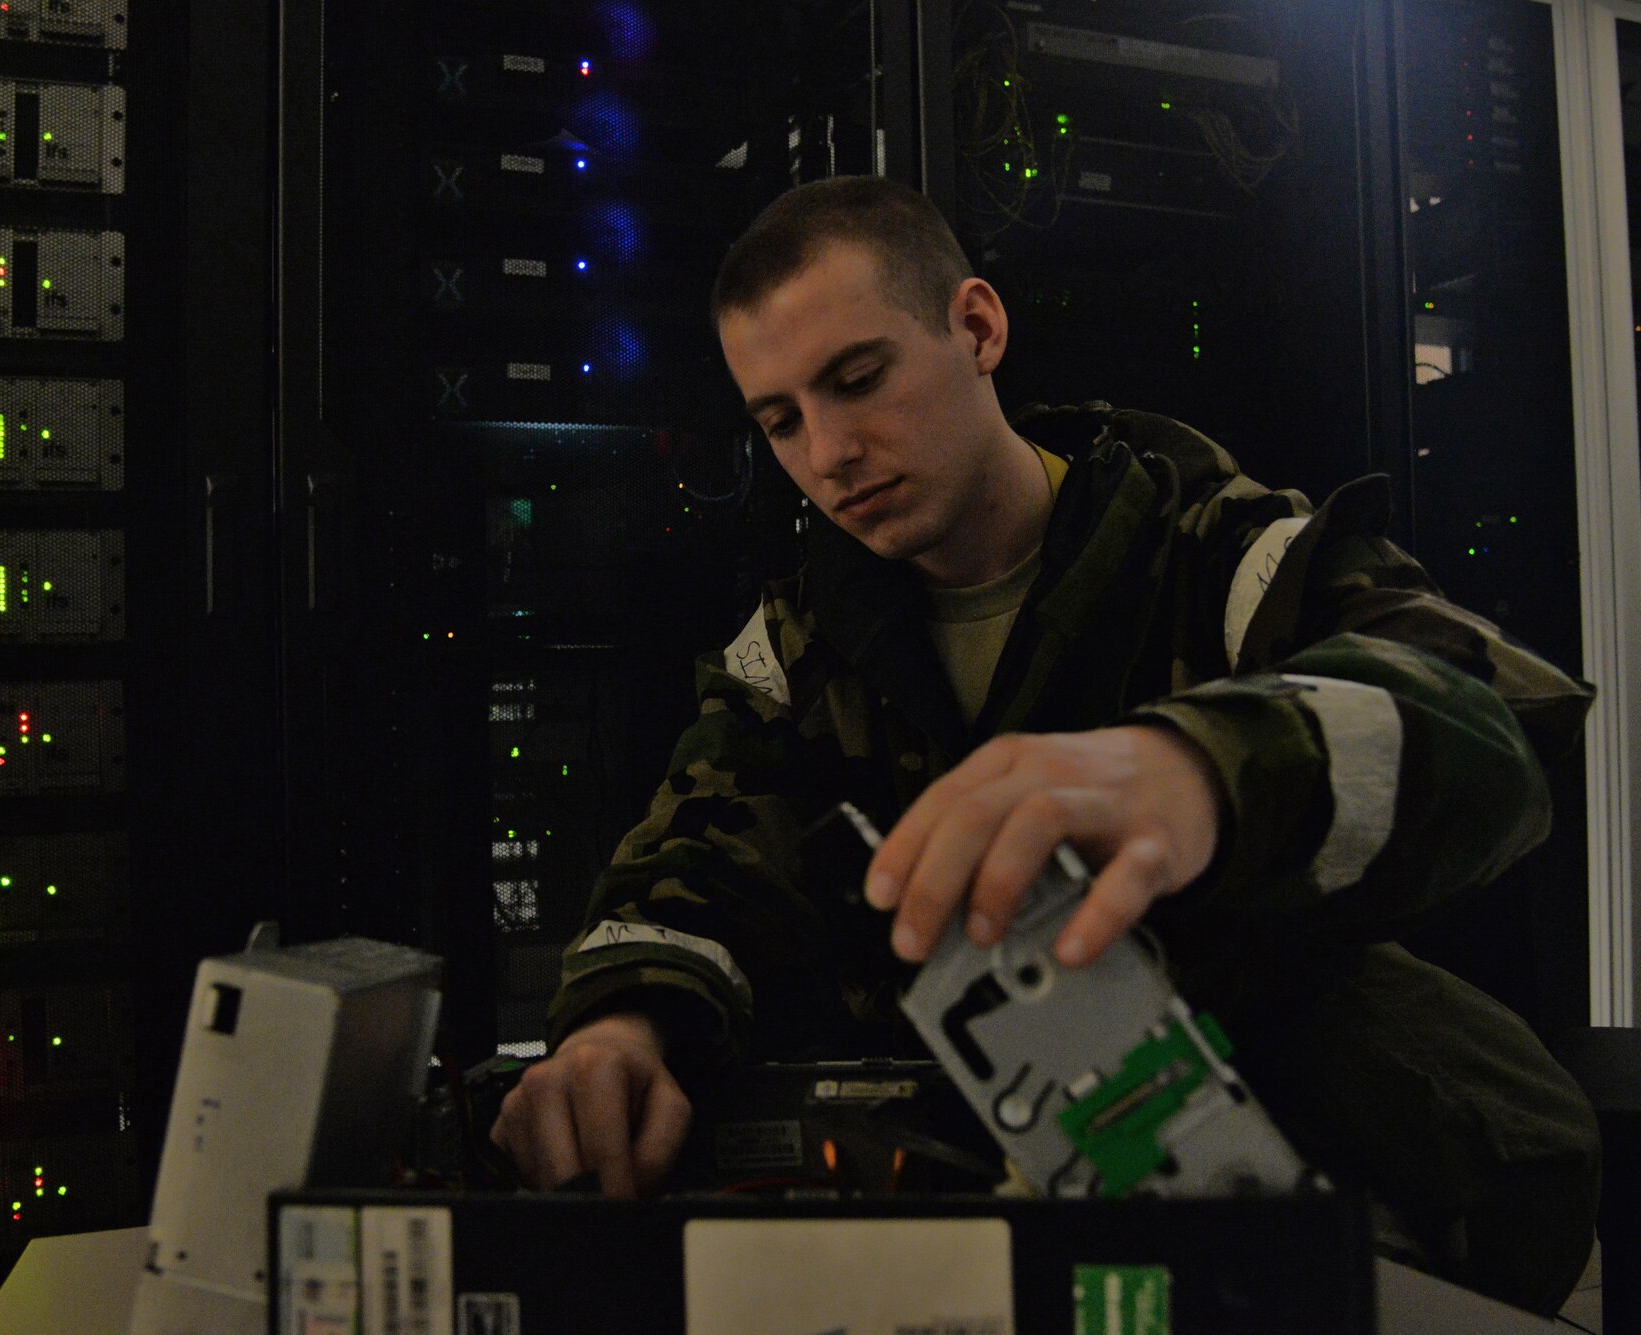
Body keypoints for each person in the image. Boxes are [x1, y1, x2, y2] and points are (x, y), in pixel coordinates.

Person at [487, 175, 1602, 1314]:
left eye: (857, 380)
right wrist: (620, 1029)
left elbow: (1500, 714)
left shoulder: (1215, 554)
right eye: (779, 421)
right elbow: (691, 869)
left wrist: (1198, 768)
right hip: (1034, 1229)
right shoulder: (799, 648)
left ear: (976, 328)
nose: (827, 453)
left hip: (1371, 1200)